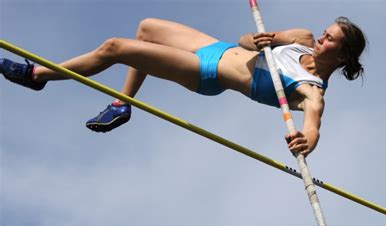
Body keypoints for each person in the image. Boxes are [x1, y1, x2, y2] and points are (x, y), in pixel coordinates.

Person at [0, 17, 367, 157]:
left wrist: (306, 142)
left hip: (206, 74)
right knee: (145, 27)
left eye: (330, 39)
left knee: (115, 47)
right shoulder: (300, 38)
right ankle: (121, 104)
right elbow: (244, 39)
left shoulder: (310, 90)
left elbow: (313, 128)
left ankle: (36, 77)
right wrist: (256, 41)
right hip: (218, 47)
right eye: (325, 32)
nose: (321, 37)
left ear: (344, 56)